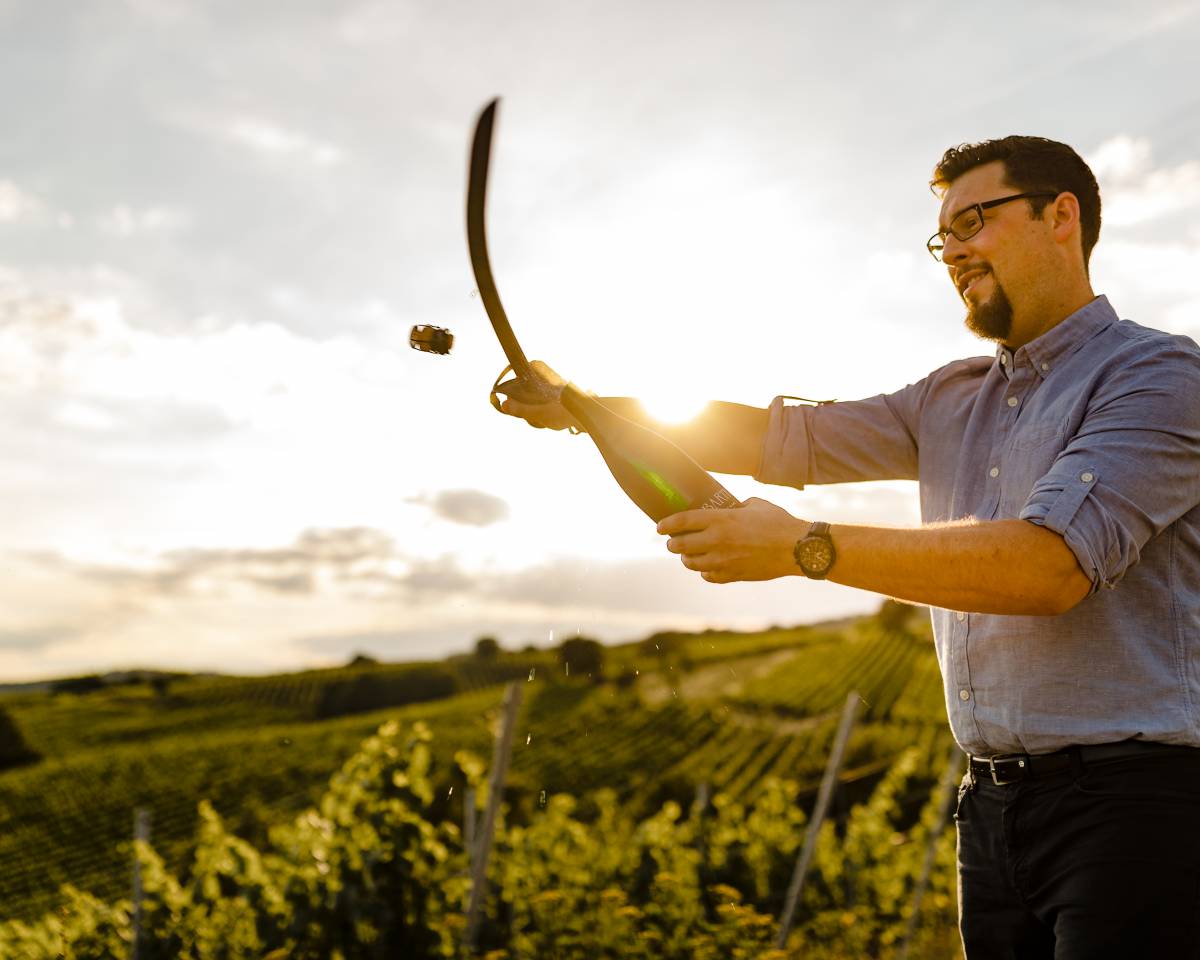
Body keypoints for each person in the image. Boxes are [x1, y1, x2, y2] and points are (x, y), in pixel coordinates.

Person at [496, 135, 1200, 957]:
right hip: (992, 813)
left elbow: (1048, 567)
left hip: (1137, 810)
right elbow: (776, 437)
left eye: (973, 220)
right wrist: (583, 404)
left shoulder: (1158, 375)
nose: (954, 251)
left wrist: (804, 547)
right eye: (943, 236)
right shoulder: (947, 397)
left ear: (1061, 216)